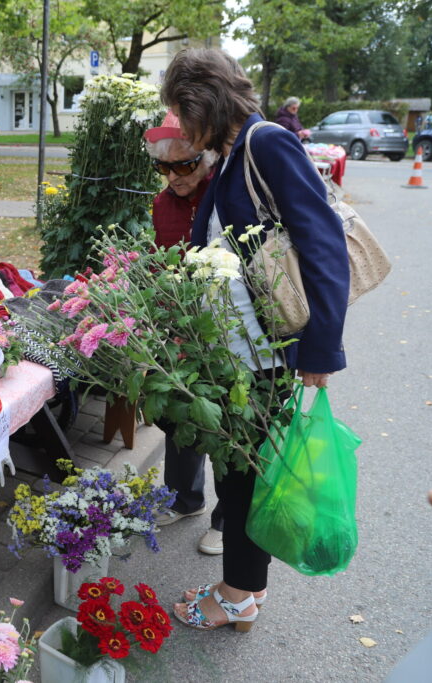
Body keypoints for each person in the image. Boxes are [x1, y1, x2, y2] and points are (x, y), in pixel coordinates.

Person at [160, 48, 350, 632]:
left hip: (266, 353)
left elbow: (322, 243)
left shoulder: (267, 144)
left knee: (245, 475)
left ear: (203, 105)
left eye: (181, 116)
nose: (181, 131)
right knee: (240, 471)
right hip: (239, 351)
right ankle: (239, 587)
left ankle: (239, 595)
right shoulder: (232, 154)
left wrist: (321, 348)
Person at [143, 112, 225, 555]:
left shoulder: (227, 194)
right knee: (180, 416)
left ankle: (228, 520)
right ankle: (183, 498)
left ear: (207, 160)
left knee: (227, 424)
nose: (174, 176)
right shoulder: (163, 206)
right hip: (182, 326)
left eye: (185, 165)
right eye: (165, 167)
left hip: (229, 325)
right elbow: (160, 265)